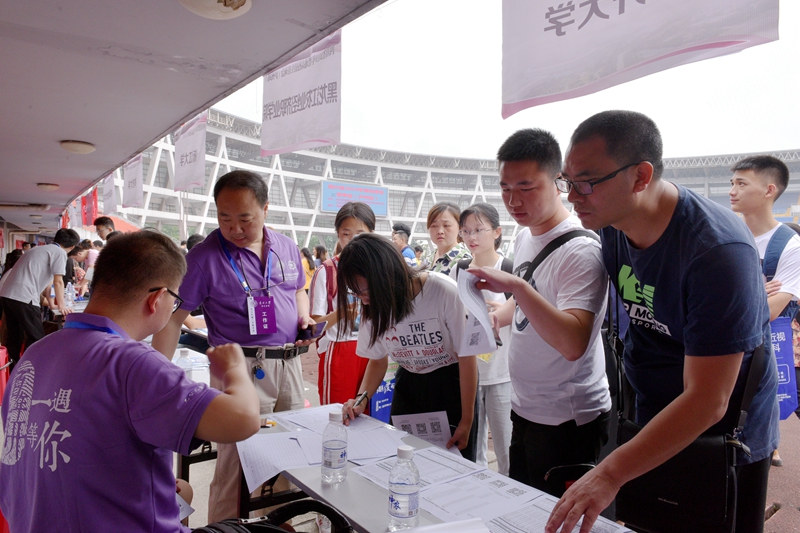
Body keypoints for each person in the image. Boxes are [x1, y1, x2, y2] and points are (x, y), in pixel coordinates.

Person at [546, 110, 778, 533]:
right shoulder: (612, 225)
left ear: (640, 176)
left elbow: (708, 400)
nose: (572, 197)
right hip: (652, 417)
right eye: (567, 181)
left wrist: (610, 473)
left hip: (722, 433)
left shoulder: (718, 252)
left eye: (587, 182)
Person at [0, 230, 260, 532]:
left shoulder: (35, 354)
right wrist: (235, 369)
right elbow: (243, 419)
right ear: (157, 299)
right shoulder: (134, 363)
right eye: (175, 301)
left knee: (184, 491)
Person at [151, 169, 316, 521]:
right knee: (238, 463)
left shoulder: (286, 246)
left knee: (286, 457)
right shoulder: (203, 258)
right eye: (225, 218)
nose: (235, 228)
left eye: (245, 218)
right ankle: (226, 528)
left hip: (288, 364)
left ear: (265, 209)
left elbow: (299, 290)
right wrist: (155, 376)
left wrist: (304, 316)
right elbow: (173, 319)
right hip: (239, 369)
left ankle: (277, 525)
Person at [472, 129, 610, 496]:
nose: (513, 200)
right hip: (527, 409)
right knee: (525, 509)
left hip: (567, 420)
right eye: (505, 188)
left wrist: (516, 287)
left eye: (526, 187)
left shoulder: (581, 250)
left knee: (558, 516)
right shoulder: (526, 234)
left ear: (559, 182)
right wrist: (499, 315)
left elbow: (573, 342)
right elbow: (533, 297)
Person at [339, 233, 479, 460]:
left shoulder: (443, 291)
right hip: (409, 385)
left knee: (453, 463)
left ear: (386, 275)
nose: (363, 300)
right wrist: (361, 399)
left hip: (452, 386)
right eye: (356, 293)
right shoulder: (373, 307)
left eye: (366, 292)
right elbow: (377, 360)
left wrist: (466, 420)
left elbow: (467, 358)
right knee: (404, 460)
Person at [729, 155, 800, 468]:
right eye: (732, 183)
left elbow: (769, 312)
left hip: (757, 360)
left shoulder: (790, 246)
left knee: (750, 449)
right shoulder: (721, 232)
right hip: (715, 352)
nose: (732, 190)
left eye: (742, 183)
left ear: (770, 190)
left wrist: (736, 295)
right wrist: (757, 291)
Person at [451, 202, 513, 476]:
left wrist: (504, 312)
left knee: (506, 448)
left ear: (497, 232)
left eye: (478, 230)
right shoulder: (459, 270)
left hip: (502, 372)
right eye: (465, 231)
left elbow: (524, 313)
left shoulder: (509, 268)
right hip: (469, 374)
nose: (471, 237)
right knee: (472, 451)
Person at [310, 202, 375, 405]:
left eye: (360, 234)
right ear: (338, 234)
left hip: (373, 348)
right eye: (347, 234)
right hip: (340, 350)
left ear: (371, 234)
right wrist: (342, 313)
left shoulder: (378, 269)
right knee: (338, 412)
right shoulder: (327, 271)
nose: (353, 240)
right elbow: (315, 326)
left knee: (370, 413)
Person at [0, 228, 80, 371]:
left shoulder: (38, 249)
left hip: (8, 295)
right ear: (72, 246)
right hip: (24, 296)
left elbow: (48, 283)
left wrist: (52, 304)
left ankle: (13, 369)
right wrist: (62, 306)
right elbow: (58, 282)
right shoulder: (60, 252)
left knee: (15, 336)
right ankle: (28, 369)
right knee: (37, 337)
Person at [425, 202, 470, 275]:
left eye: (446, 225)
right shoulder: (428, 258)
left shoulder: (464, 261)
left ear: (460, 227)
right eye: (434, 226)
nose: (440, 231)